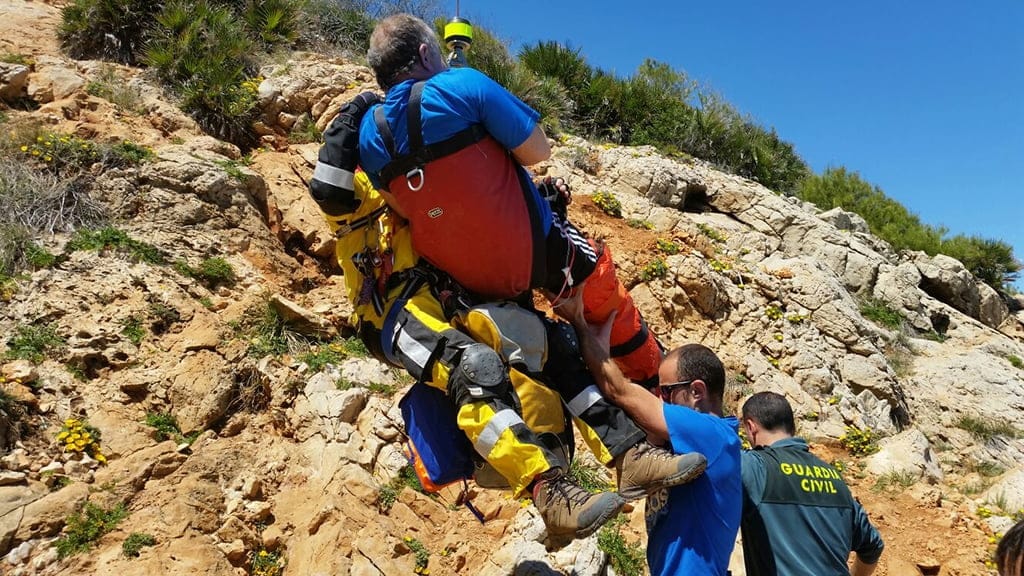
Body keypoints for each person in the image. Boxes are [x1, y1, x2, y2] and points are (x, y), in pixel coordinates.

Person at [309, 145, 706, 541]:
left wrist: (539, 203)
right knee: (473, 365)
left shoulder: (427, 184)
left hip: (450, 303)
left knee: (558, 344)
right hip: (392, 316)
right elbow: (328, 189)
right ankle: (547, 488)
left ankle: (629, 453)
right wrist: (355, 113)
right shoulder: (364, 188)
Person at [357, 13, 664, 388]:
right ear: (424, 54)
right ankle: (655, 377)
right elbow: (538, 150)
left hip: (465, 279)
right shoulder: (462, 85)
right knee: (599, 285)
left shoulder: (369, 134)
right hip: (532, 253)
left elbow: (404, 207)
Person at [558, 289, 742, 576]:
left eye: (666, 392)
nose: (660, 400)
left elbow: (618, 391)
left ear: (696, 391)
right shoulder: (693, 442)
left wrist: (579, 321)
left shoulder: (712, 432)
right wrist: (601, 350)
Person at [739, 391, 884, 576]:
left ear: (751, 427)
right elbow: (873, 546)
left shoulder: (755, 467)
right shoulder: (835, 478)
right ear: (792, 425)